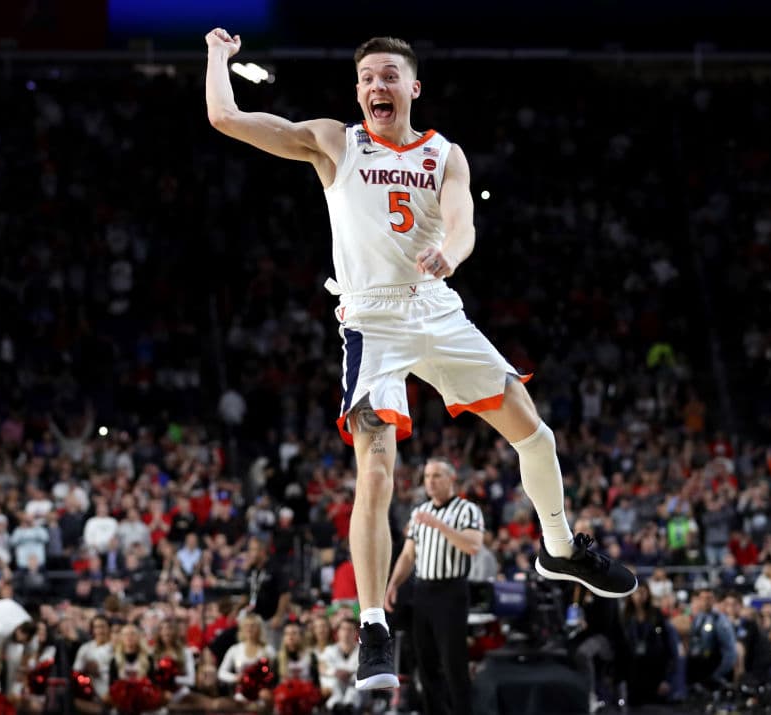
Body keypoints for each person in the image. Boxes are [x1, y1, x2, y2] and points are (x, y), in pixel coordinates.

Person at [204, 27, 637, 690]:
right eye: (367, 77)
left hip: (436, 307)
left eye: (388, 75)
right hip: (372, 320)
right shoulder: (334, 141)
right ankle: (375, 625)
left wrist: (452, 254)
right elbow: (225, 117)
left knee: (535, 432)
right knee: (376, 472)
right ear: (358, 90)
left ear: (413, 87)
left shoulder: (444, 154)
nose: (377, 85)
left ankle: (559, 550)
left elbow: (462, 221)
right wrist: (216, 58)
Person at [384, 458, 483, 714]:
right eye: (427, 476)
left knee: (453, 664)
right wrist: (393, 584)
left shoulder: (467, 509)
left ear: (451, 479)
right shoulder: (419, 513)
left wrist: (439, 525)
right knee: (424, 664)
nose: (430, 481)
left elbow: (472, 546)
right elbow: (408, 555)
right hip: (423, 591)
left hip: (451, 592)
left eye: (436, 475)